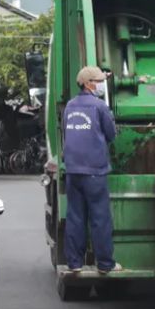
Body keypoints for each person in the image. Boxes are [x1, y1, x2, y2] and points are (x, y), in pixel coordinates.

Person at [62, 66, 121, 274]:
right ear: (88, 84)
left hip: (72, 171)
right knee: (99, 218)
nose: (101, 84)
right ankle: (105, 264)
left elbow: (65, 135)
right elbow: (112, 134)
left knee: (75, 217)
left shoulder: (69, 106)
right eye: (98, 81)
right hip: (94, 172)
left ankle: (75, 263)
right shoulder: (99, 107)